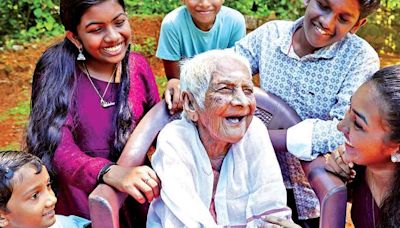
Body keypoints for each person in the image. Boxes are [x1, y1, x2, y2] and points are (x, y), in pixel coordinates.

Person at [231, 0, 381, 224]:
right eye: (323, 5)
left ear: (357, 25)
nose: (327, 22)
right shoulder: (270, 36)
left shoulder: (359, 60)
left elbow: (345, 130)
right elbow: (223, 69)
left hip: (309, 193)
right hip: (249, 176)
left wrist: (264, 137)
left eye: (343, 19)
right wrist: (180, 80)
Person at [26, 0, 160, 224]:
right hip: (83, 204)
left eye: (119, 22)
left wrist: (173, 100)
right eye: (96, 30)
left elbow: (156, 128)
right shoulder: (57, 72)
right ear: (75, 37)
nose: (113, 37)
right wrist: (108, 172)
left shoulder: (137, 66)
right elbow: (58, 146)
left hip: (136, 196)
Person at [147, 50, 292, 227]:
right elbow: (185, 219)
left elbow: (270, 204)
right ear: (191, 104)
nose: (242, 102)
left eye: (247, 90)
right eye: (225, 89)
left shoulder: (254, 131)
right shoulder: (175, 139)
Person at [325, 65, 400, 228]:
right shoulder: (362, 167)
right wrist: (342, 174)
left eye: (358, 124)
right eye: (349, 109)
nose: (341, 126)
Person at [158, 0, 246, 112]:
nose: (204, 3)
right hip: (188, 94)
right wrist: (175, 84)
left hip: (223, 92)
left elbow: (234, 73)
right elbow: (175, 78)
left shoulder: (235, 21)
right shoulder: (172, 24)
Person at [0, 150, 90, 228]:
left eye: (48, 185)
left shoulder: (71, 225)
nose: (52, 200)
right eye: (34, 196)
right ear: (1, 217)